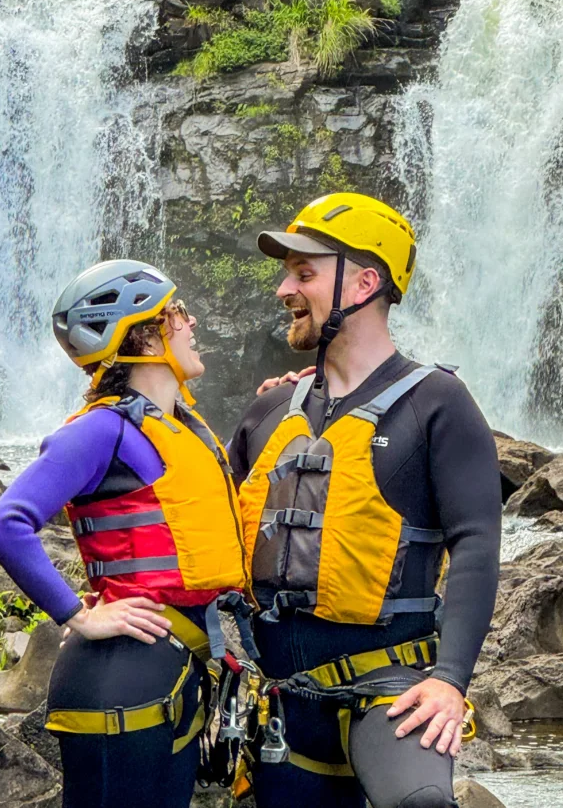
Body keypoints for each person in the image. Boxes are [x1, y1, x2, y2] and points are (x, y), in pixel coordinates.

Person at [230, 192, 502, 808]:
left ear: (365, 282)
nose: (283, 290)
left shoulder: (437, 404)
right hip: (281, 702)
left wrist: (451, 682)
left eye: (304, 273)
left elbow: (477, 544)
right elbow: (218, 531)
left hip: (390, 694)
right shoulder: (270, 410)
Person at [0, 259, 252, 808]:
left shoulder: (181, 426)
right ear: (147, 338)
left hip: (170, 669)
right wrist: (79, 615)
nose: (191, 321)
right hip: (119, 676)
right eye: (178, 313)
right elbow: (5, 525)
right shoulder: (101, 428)